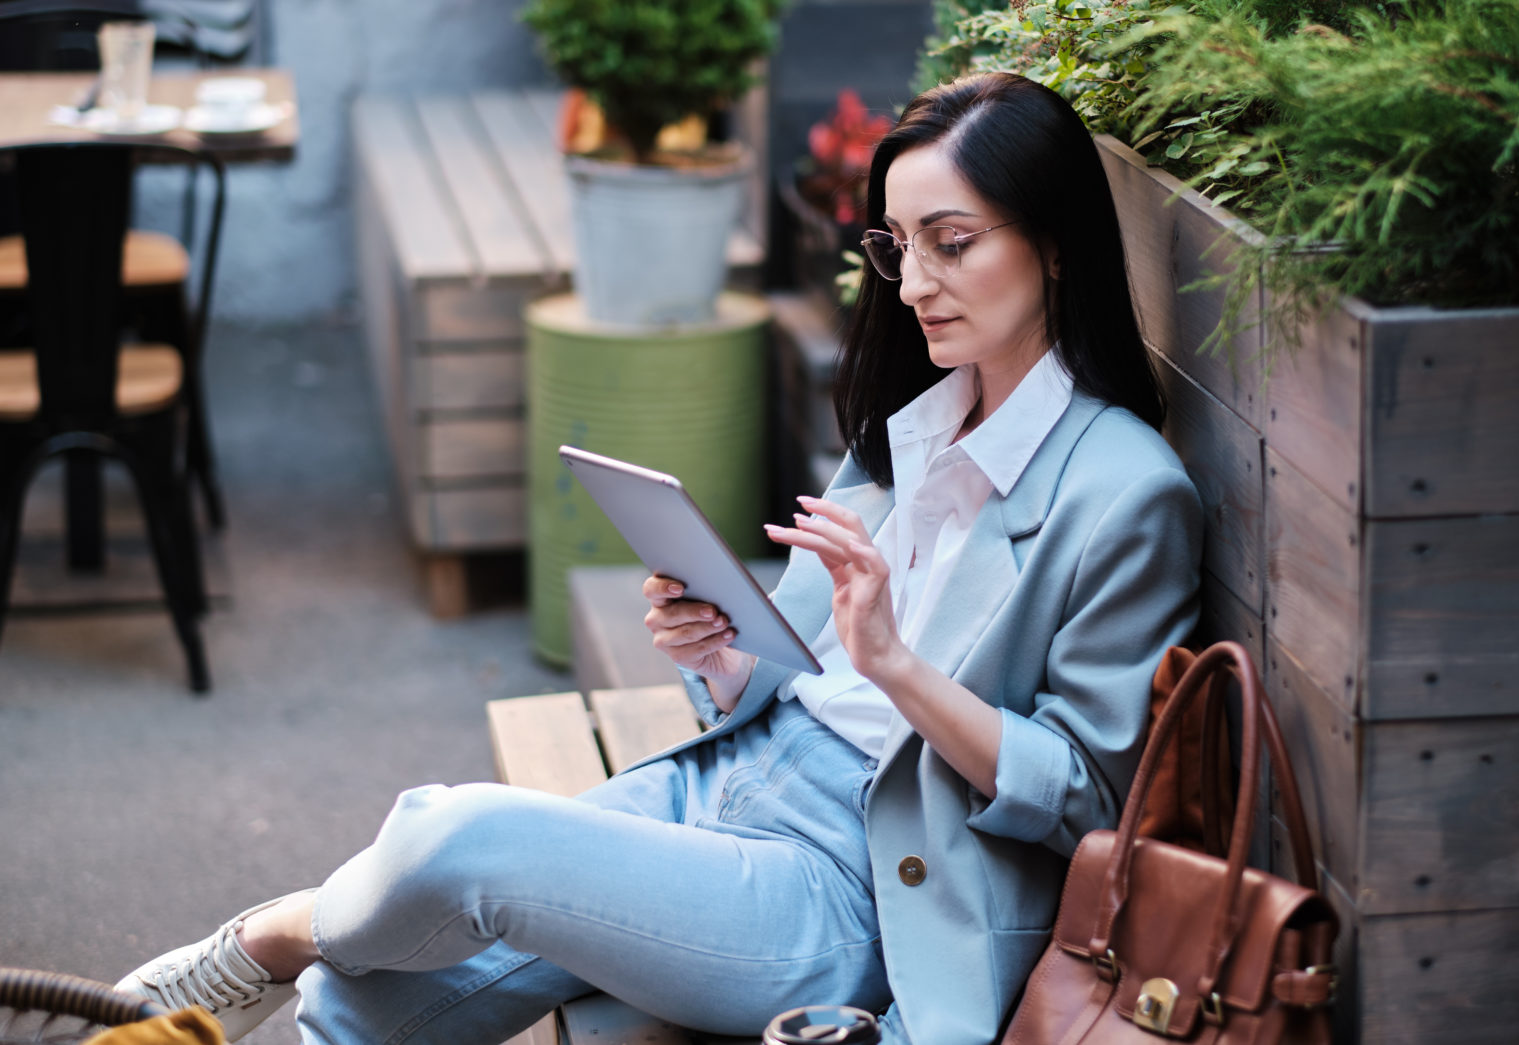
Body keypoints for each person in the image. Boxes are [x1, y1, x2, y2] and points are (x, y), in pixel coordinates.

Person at [116, 71, 1202, 1045]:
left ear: (1052, 242)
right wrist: (723, 654)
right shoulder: (916, 424)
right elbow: (796, 677)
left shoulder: (1124, 491)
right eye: (893, 244)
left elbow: (1088, 796)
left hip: (854, 887)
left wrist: (894, 664)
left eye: (949, 242)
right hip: (723, 786)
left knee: (461, 838)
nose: (913, 280)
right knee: (367, 1004)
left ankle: (274, 931)